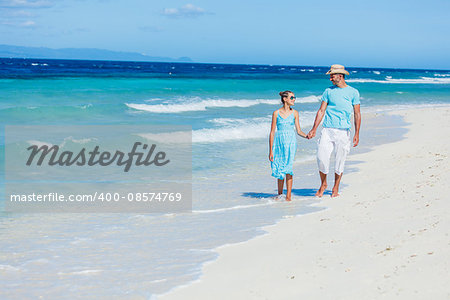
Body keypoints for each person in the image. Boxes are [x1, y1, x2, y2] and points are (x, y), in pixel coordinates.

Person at [307, 64, 361, 198]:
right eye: (330, 75)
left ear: (340, 76)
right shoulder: (328, 91)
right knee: (321, 158)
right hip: (327, 129)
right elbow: (321, 111)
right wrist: (314, 129)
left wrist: (357, 133)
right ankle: (323, 184)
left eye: (332, 75)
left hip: (343, 131)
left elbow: (357, 114)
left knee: (340, 160)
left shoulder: (353, 92)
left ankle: (336, 187)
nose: (330, 78)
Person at [269, 90, 308, 201]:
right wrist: (271, 150)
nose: (294, 99)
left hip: (291, 143)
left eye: (294, 97)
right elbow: (272, 132)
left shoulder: (295, 113)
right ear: (285, 99)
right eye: (292, 97)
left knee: (288, 168)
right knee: (280, 168)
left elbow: (299, 131)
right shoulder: (276, 113)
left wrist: (307, 135)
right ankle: (280, 194)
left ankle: (288, 196)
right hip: (279, 143)